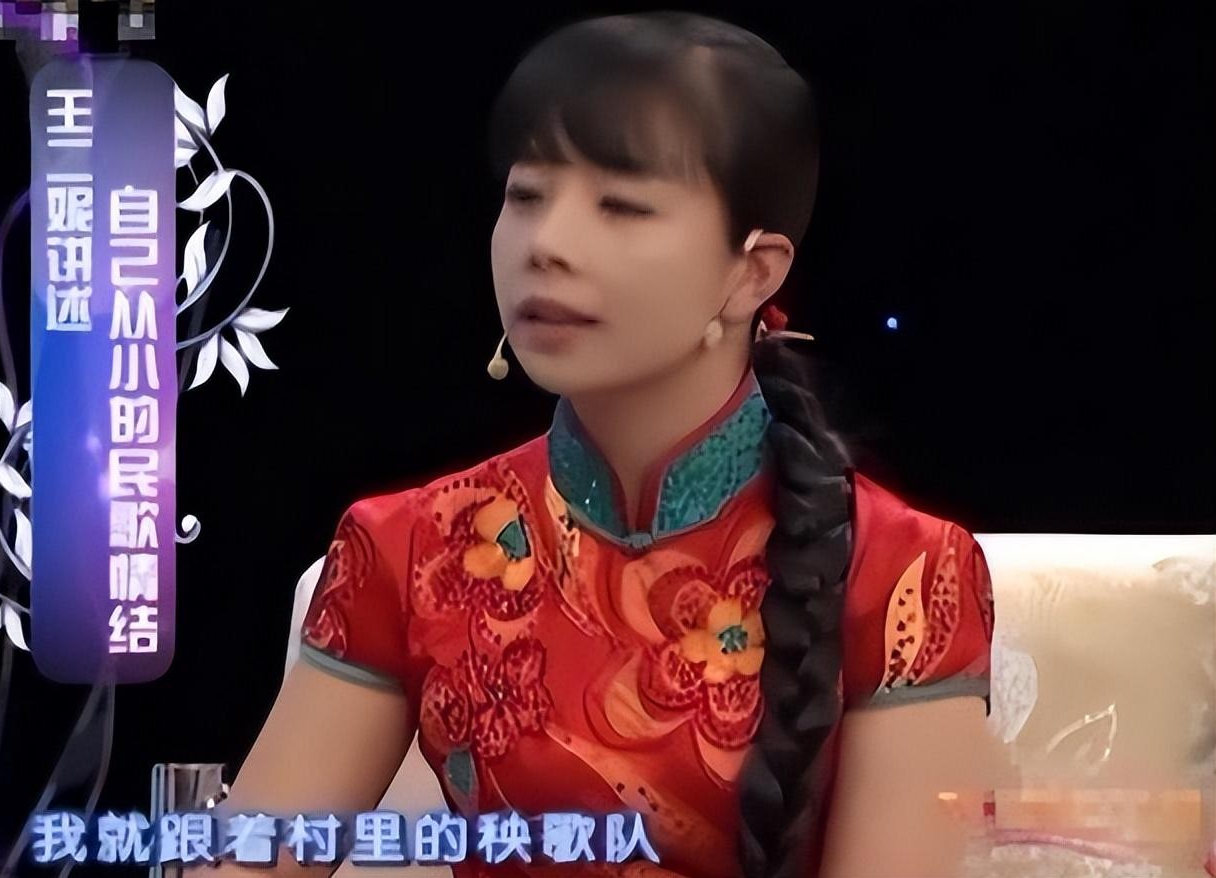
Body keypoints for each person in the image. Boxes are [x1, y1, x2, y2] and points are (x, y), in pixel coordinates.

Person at [214, 11, 997, 878]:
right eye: (526, 197)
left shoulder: (903, 575)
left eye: (621, 207)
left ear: (753, 272)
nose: (546, 246)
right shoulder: (411, 547)